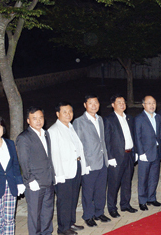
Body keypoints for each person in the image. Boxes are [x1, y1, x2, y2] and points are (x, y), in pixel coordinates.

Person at [48, 102, 87, 235]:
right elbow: (54, 155)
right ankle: (63, 228)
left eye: (70, 111)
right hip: (63, 171)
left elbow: (78, 148)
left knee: (73, 197)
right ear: (58, 114)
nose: (68, 114)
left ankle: (70, 222)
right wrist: (58, 175)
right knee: (64, 200)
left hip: (75, 167)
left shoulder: (70, 127)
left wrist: (83, 166)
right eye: (64, 112)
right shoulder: (53, 131)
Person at [16, 106, 55, 235]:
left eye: (40, 118)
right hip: (35, 183)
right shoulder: (24, 138)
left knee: (47, 212)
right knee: (35, 215)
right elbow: (24, 161)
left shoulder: (45, 133)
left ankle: (47, 233)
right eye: (34, 118)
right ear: (28, 121)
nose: (38, 121)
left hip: (48, 180)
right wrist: (30, 179)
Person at [73, 95, 110, 226]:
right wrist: (84, 164)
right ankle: (88, 215)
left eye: (96, 102)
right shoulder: (79, 122)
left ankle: (99, 212)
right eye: (90, 103)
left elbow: (102, 141)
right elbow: (78, 145)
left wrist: (107, 159)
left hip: (102, 161)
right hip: (89, 163)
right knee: (88, 191)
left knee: (100, 189)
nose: (94, 105)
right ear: (85, 105)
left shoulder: (100, 119)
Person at [103, 94, 138, 217]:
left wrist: (135, 152)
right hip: (116, 157)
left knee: (127, 181)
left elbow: (133, 136)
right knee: (114, 183)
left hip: (129, 154)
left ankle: (125, 204)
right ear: (113, 105)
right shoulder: (109, 119)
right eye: (119, 102)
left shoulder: (129, 118)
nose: (122, 104)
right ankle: (112, 208)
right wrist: (110, 157)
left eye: (123, 102)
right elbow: (107, 140)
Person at [134, 96, 161, 210]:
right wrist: (140, 153)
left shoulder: (158, 117)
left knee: (154, 177)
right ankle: (142, 201)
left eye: (153, 103)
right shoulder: (139, 118)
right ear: (143, 105)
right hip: (145, 153)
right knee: (143, 178)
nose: (152, 105)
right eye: (149, 103)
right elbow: (137, 137)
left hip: (156, 152)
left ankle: (151, 198)